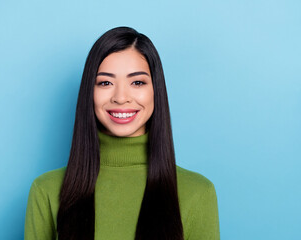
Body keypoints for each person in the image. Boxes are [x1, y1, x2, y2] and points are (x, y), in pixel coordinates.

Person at [24, 26, 220, 240]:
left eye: (137, 82)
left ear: (156, 90)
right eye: (105, 82)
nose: (120, 97)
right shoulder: (46, 191)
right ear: (90, 91)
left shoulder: (198, 192)